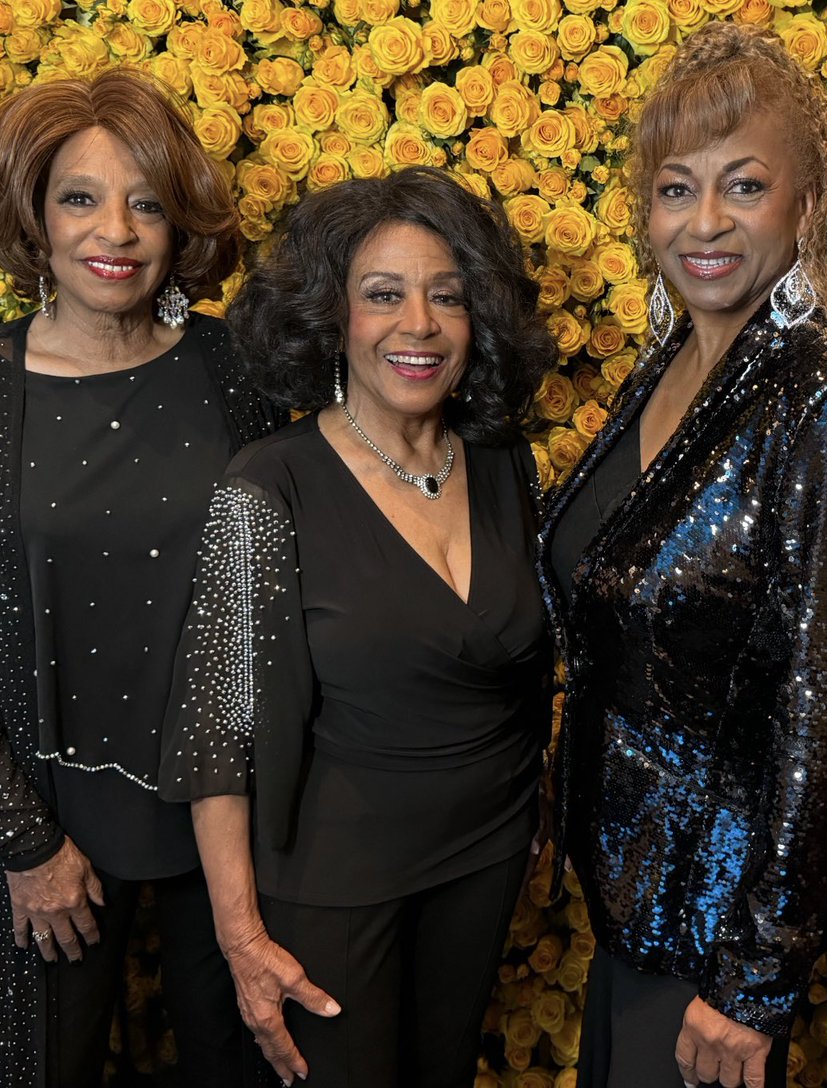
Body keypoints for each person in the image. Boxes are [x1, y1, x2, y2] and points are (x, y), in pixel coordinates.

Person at [0, 68, 280, 1087]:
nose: (116, 231)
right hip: (49, 821)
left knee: (242, 1070)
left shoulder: (238, 364)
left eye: (145, 201)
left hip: (229, 824)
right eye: (81, 198)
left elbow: (280, 595)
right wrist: (23, 841)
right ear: (35, 218)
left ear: (179, 222)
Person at [538, 21, 827, 1088]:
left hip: (714, 941)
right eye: (672, 188)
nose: (701, 223)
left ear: (807, 206)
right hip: (630, 907)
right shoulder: (666, 374)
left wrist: (754, 978)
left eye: (741, 187)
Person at [157, 167, 556, 1087]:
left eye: (445, 297)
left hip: (487, 851)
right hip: (333, 875)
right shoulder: (267, 485)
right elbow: (218, 733)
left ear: (475, 321)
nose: (417, 324)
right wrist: (241, 936)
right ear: (334, 319)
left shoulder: (503, 464)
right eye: (383, 295)